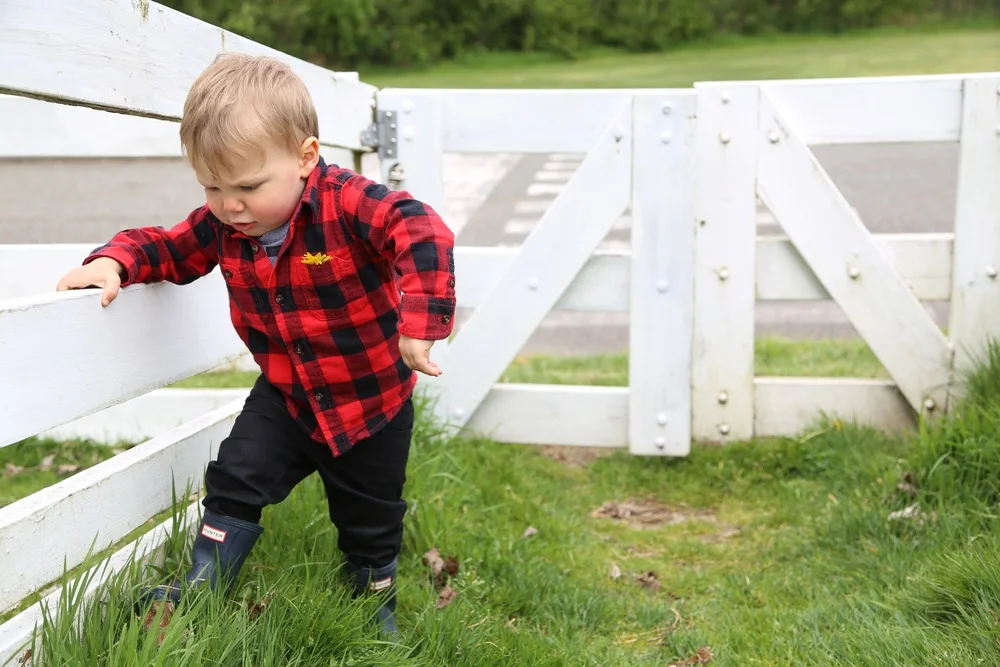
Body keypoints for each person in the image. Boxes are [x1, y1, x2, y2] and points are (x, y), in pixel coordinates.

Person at [55, 52, 457, 637]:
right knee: (236, 475)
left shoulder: (347, 203)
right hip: (287, 395)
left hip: (371, 402)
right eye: (212, 187)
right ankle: (203, 586)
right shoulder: (223, 225)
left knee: (369, 517)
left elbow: (419, 227)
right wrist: (113, 260)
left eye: (247, 186)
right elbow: (167, 247)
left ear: (305, 157)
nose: (230, 205)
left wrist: (421, 318)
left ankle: (372, 602)